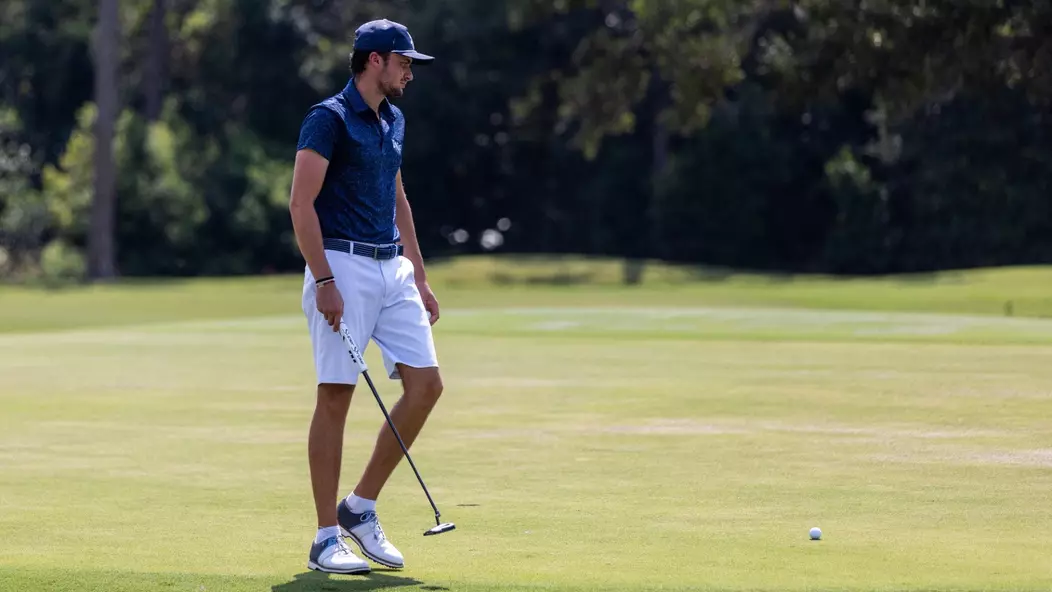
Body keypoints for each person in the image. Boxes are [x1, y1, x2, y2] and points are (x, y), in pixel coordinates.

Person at [288, 19, 444, 575]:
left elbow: (398, 197)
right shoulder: (327, 120)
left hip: (391, 266)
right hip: (343, 265)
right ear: (374, 60)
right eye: (404, 62)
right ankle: (325, 537)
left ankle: (359, 507)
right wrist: (324, 279)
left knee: (426, 385)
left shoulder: (393, 120)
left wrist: (419, 277)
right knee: (336, 394)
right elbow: (301, 204)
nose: (409, 72)